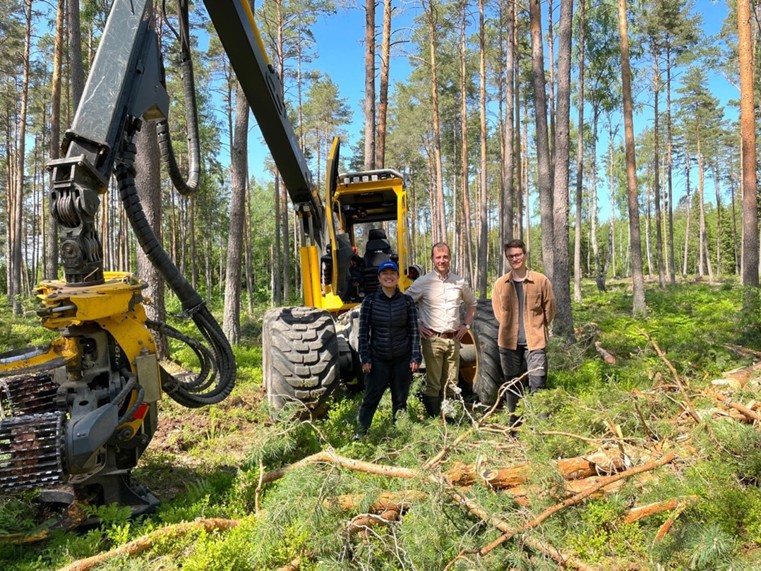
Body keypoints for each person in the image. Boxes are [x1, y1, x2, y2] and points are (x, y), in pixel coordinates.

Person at [405, 242, 477, 418]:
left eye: (445, 256)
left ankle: (450, 421)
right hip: (432, 340)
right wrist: (417, 324)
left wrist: (465, 326)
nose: (442, 260)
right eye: (438, 257)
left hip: (454, 339)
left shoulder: (459, 282)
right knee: (434, 383)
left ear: (449, 258)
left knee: (452, 383)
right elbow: (405, 303)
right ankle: (434, 421)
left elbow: (472, 304)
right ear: (432, 259)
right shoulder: (423, 282)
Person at [491, 239, 556, 427]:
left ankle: (539, 426)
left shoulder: (541, 280)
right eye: (511, 256)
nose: (515, 258)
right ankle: (515, 425)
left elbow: (549, 309)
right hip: (508, 343)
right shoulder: (500, 284)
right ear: (507, 258)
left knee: (538, 382)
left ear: (525, 255)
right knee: (512, 385)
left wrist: (537, 327)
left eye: (518, 255)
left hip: (535, 342)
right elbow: (498, 313)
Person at [356, 260, 422, 439]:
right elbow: (363, 332)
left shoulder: (407, 301)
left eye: (392, 273)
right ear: (379, 278)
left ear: (398, 277)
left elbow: (414, 330)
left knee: (400, 401)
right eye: (384, 274)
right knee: (371, 398)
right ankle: (361, 434)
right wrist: (365, 358)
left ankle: (399, 434)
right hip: (378, 359)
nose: (389, 277)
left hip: (402, 358)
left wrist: (416, 356)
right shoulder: (369, 301)